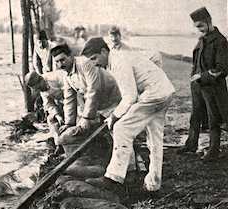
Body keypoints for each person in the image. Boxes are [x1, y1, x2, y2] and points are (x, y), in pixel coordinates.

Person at [80, 37, 175, 192]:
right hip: (165, 91)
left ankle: (113, 178)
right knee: (154, 139)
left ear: (104, 51)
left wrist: (114, 116)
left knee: (121, 128)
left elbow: (130, 97)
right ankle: (153, 184)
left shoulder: (118, 62)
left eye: (95, 58)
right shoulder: (120, 57)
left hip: (153, 94)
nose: (95, 63)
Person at [177, 7, 228, 161]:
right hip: (198, 86)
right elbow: (197, 61)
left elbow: (223, 68)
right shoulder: (202, 39)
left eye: (200, 26)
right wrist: (194, 76)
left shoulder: (220, 41)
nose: (199, 30)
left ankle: (213, 150)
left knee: (214, 119)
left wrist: (202, 76)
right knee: (195, 116)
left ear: (209, 21)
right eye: (196, 27)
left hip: (213, 87)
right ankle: (191, 145)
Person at [49, 43, 122, 135]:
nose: (60, 64)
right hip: (98, 104)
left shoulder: (85, 63)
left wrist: (87, 118)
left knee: (116, 129)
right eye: (57, 62)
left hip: (111, 98)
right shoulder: (66, 74)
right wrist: (69, 123)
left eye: (62, 60)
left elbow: (93, 90)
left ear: (71, 56)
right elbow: (69, 99)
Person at [25, 70, 67, 155]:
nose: (40, 90)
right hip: (63, 104)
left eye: (38, 87)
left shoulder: (55, 78)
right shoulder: (42, 90)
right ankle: (59, 144)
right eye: (37, 89)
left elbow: (71, 91)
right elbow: (49, 104)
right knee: (51, 119)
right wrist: (57, 115)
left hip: (75, 100)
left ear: (41, 79)